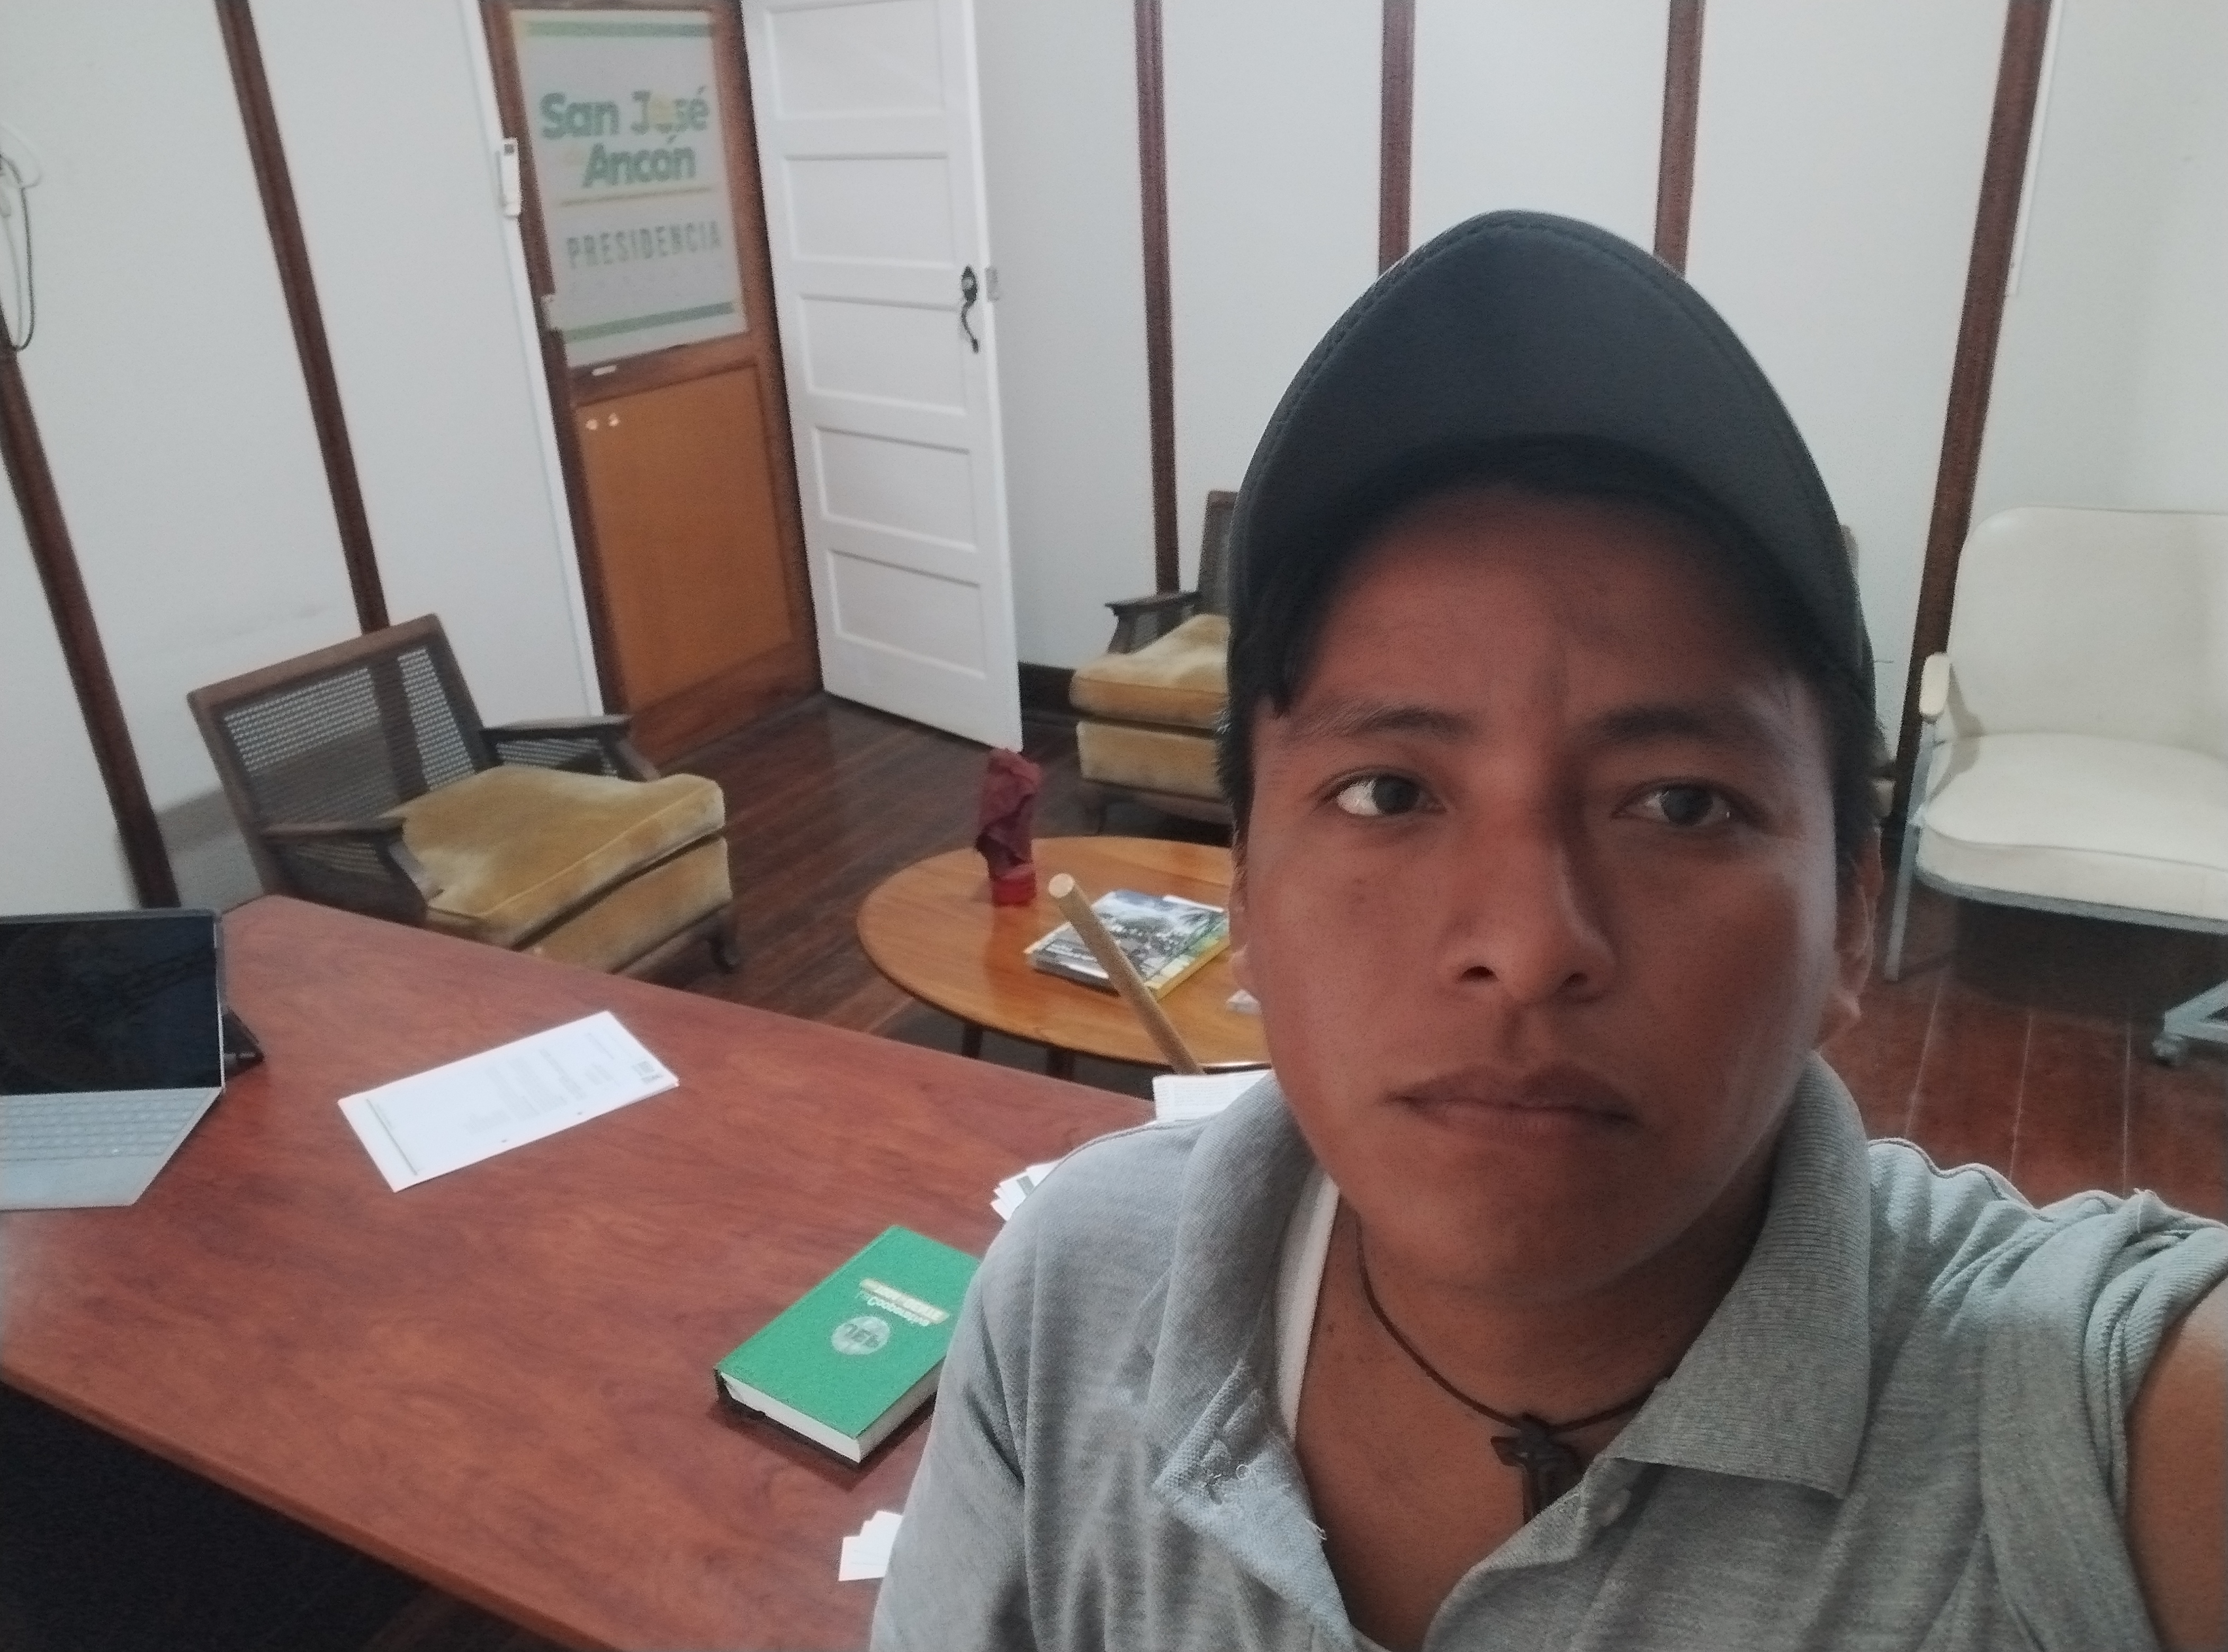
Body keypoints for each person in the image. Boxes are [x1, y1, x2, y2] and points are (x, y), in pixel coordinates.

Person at [872, 213, 2228, 1651]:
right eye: (1389, 792)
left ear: (1849, 918)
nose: (1526, 946)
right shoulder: (1069, 1297)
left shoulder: (2094, 1428)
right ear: (1247, 900)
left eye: (1682, 805)